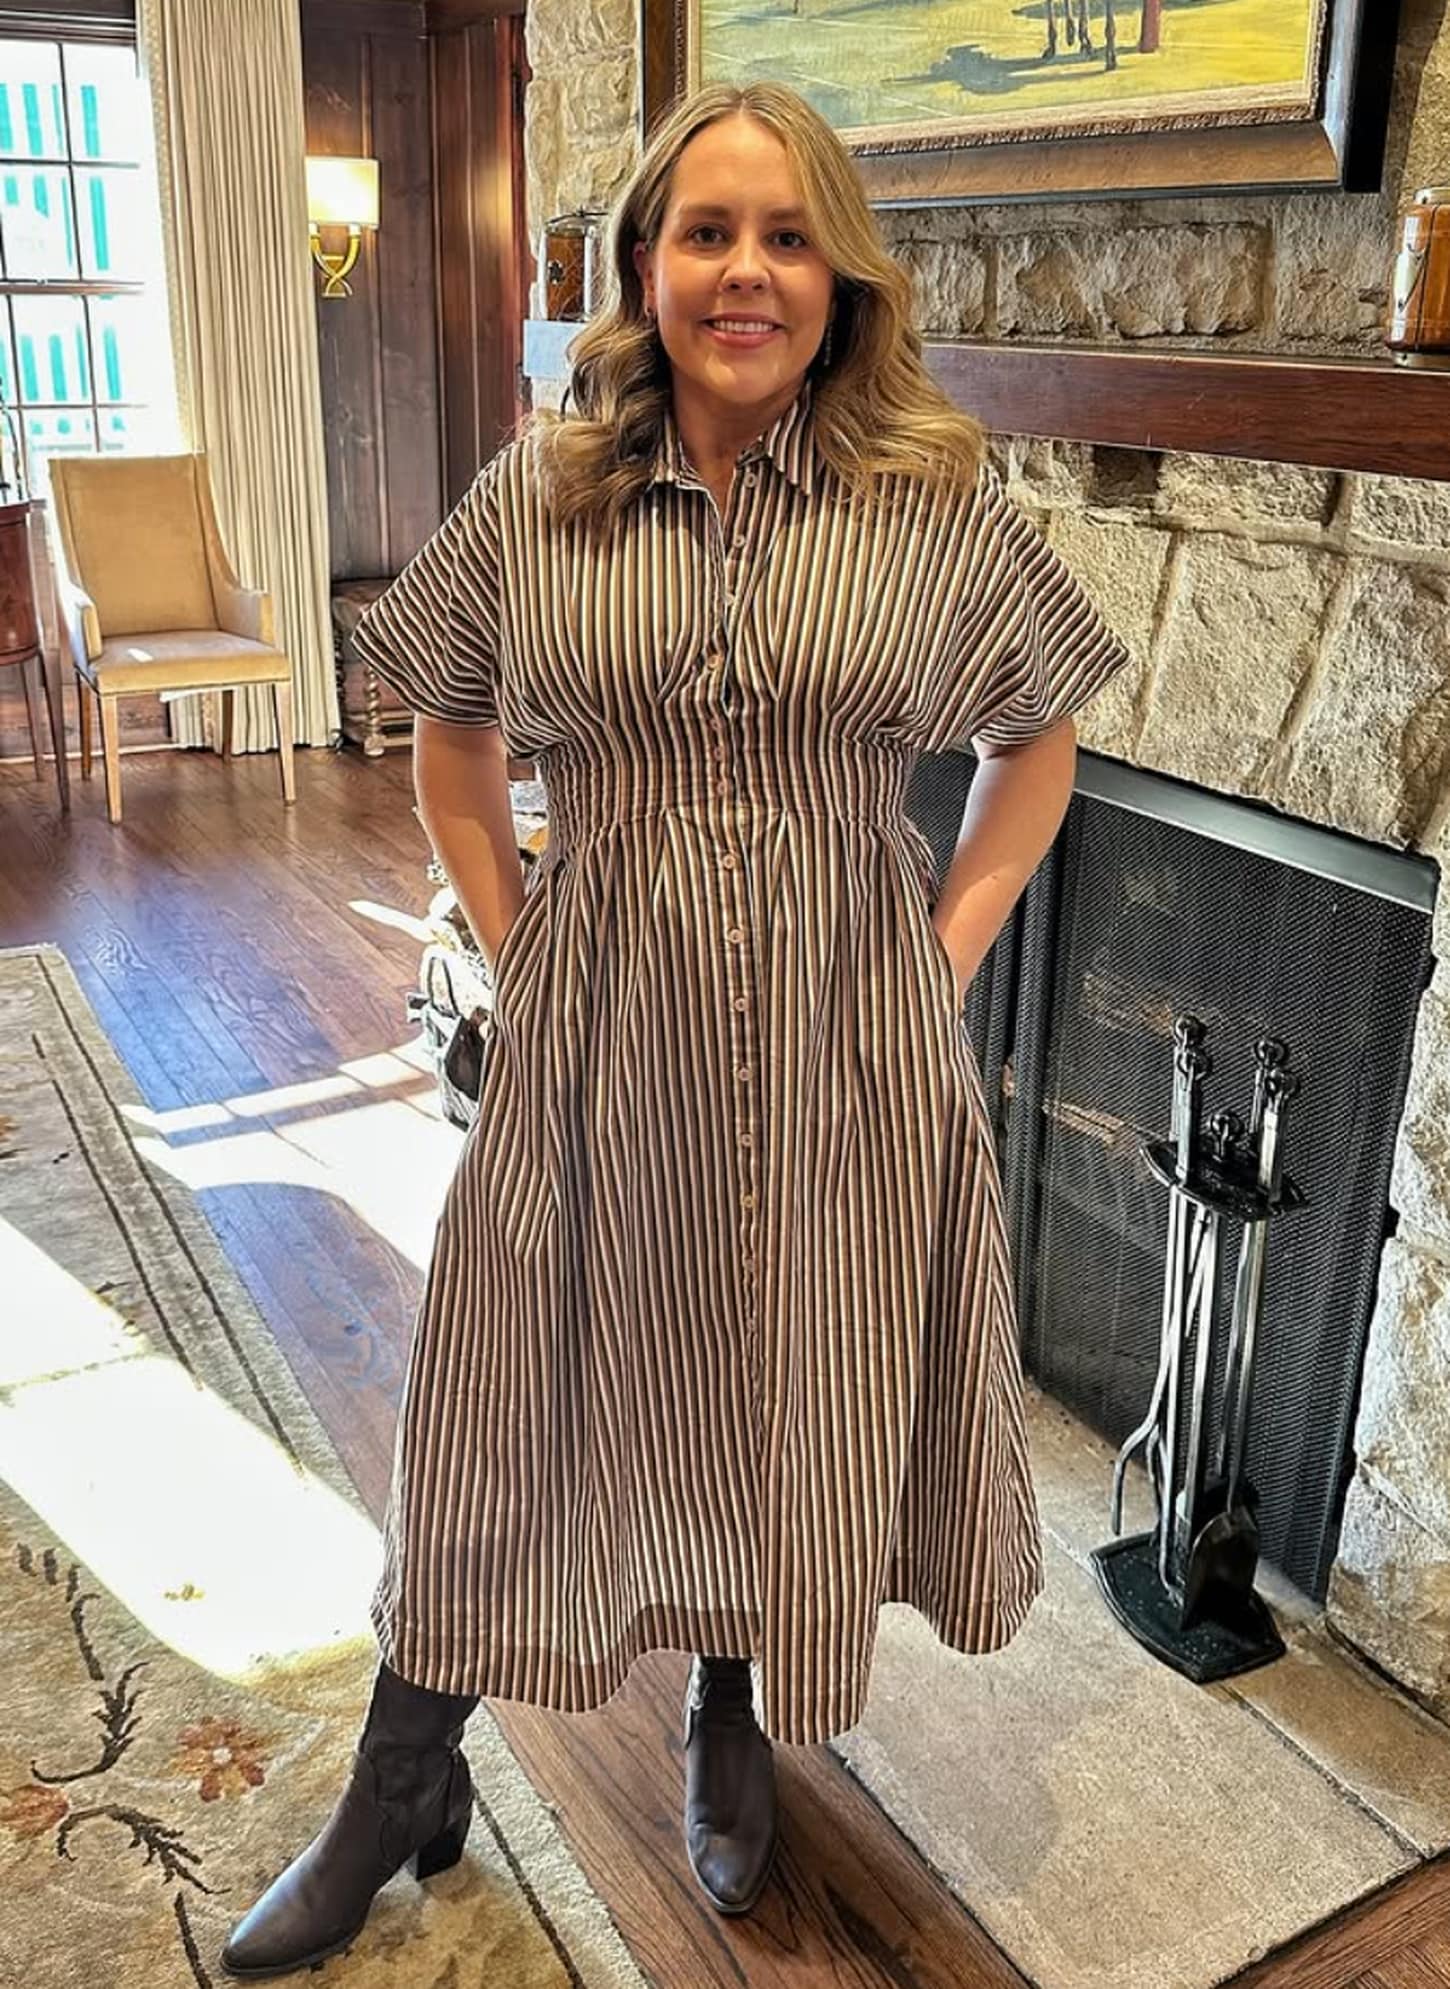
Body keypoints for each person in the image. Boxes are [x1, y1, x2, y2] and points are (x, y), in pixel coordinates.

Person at [221, 77, 1132, 1979]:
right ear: (644, 262)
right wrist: (515, 941)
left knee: (775, 1368)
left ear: (839, 277)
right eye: (708, 231)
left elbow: (1034, 737)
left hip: (843, 1043)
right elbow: (448, 727)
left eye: (789, 236)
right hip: (597, 1027)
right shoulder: (540, 491)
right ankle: (404, 1773)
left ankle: (729, 1699)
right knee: (504, 1390)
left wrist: (938, 957)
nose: (746, 272)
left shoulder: (926, 501)